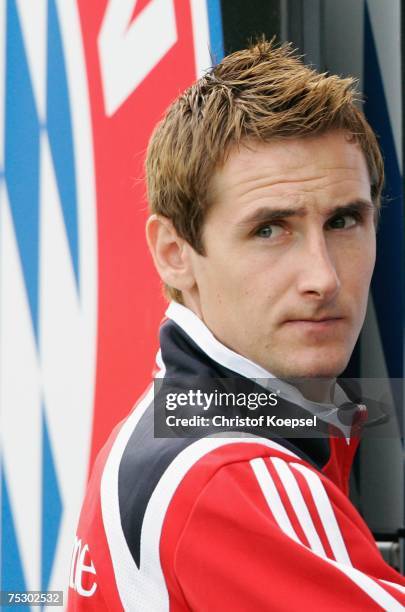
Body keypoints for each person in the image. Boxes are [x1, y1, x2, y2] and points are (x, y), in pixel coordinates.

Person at [68, 40, 405, 610]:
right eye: (270, 229)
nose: (322, 278)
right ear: (174, 252)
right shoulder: (232, 475)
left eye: (345, 220)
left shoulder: (181, 421)